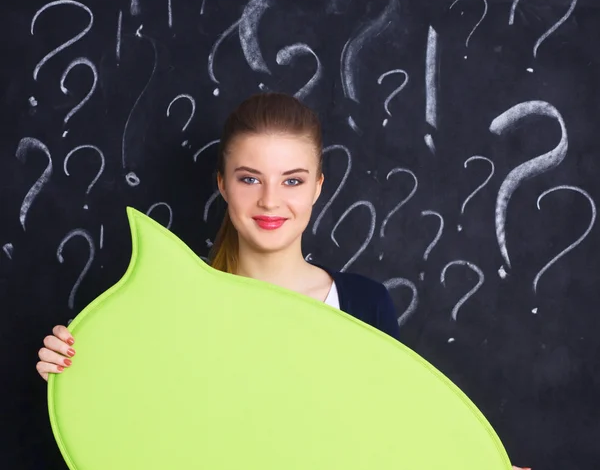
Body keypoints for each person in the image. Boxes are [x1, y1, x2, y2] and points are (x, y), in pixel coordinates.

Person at [35, 92, 529, 470]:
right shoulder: (168, 310)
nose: (271, 202)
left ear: (317, 187)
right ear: (223, 184)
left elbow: (396, 437)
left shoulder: (363, 303)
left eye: (292, 180)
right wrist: (75, 368)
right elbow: (136, 428)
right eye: (250, 178)